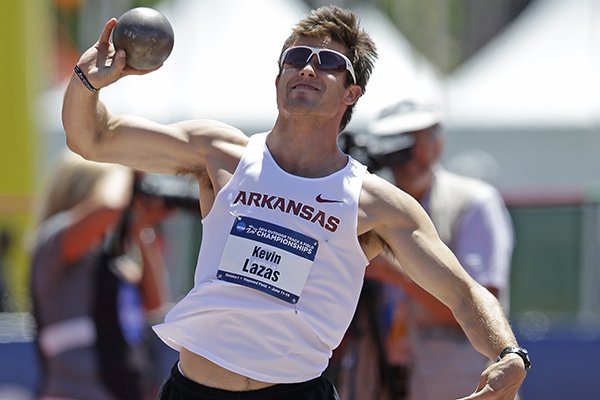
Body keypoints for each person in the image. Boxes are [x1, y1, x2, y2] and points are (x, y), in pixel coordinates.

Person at [61, 5, 529, 399]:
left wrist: (509, 354)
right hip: (196, 389)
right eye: (297, 57)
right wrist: (88, 80)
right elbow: (94, 139)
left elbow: (464, 292)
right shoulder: (220, 154)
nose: (307, 67)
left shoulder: (376, 203)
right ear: (279, 76)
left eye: (327, 61)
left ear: (351, 93)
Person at [363, 99, 516, 399]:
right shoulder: (369, 207)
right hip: (382, 379)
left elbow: (483, 305)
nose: (412, 156)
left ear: (438, 142)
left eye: (421, 140)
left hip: (459, 384)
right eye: (401, 144)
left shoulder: (473, 202)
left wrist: (394, 270)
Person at [30, 150, 172, 400]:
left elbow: (155, 303)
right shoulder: (53, 243)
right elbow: (108, 208)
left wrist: (141, 227)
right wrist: (122, 166)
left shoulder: (108, 261)